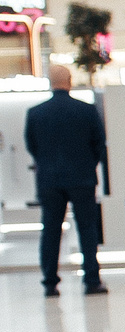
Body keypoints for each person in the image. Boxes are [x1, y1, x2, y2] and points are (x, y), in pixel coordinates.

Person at [25, 64, 107, 297]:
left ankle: (50, 282)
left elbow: (32, 146)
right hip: (82, 178)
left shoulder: (36, 113)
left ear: (50, 82)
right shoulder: (86, 111)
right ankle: (92, 280)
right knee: (87, 229)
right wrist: (87, 165)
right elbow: (99, 144)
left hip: (49, 180)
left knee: (50, 230)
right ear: (70, 80)